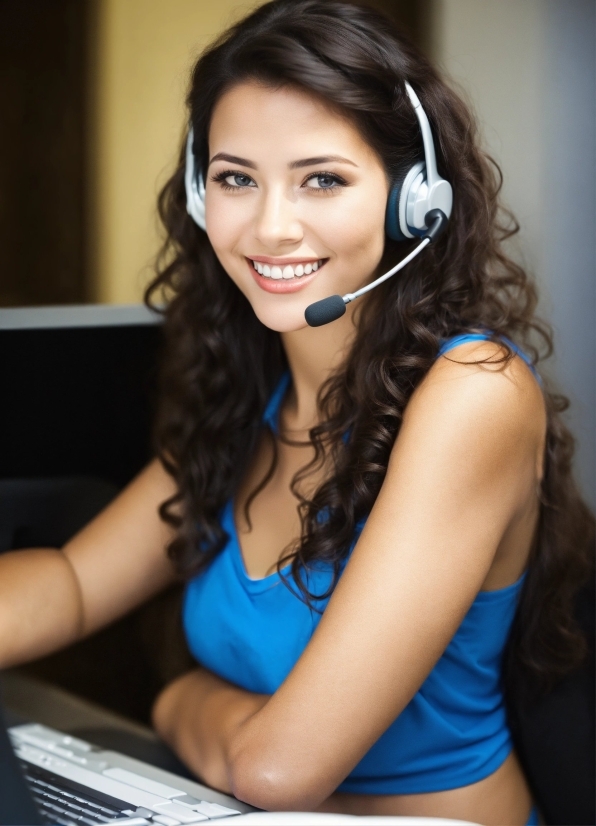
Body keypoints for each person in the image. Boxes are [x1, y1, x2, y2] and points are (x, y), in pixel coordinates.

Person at [0, 1, 593, 823]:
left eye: (323, 179)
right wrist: (212, 719)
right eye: (236, 178)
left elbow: (281, 773)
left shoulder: (475, 395)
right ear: (204, 199)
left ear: (411, 200)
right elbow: (68, 586)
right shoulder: (249, 394)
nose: (272, 228)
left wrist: (179, 699)